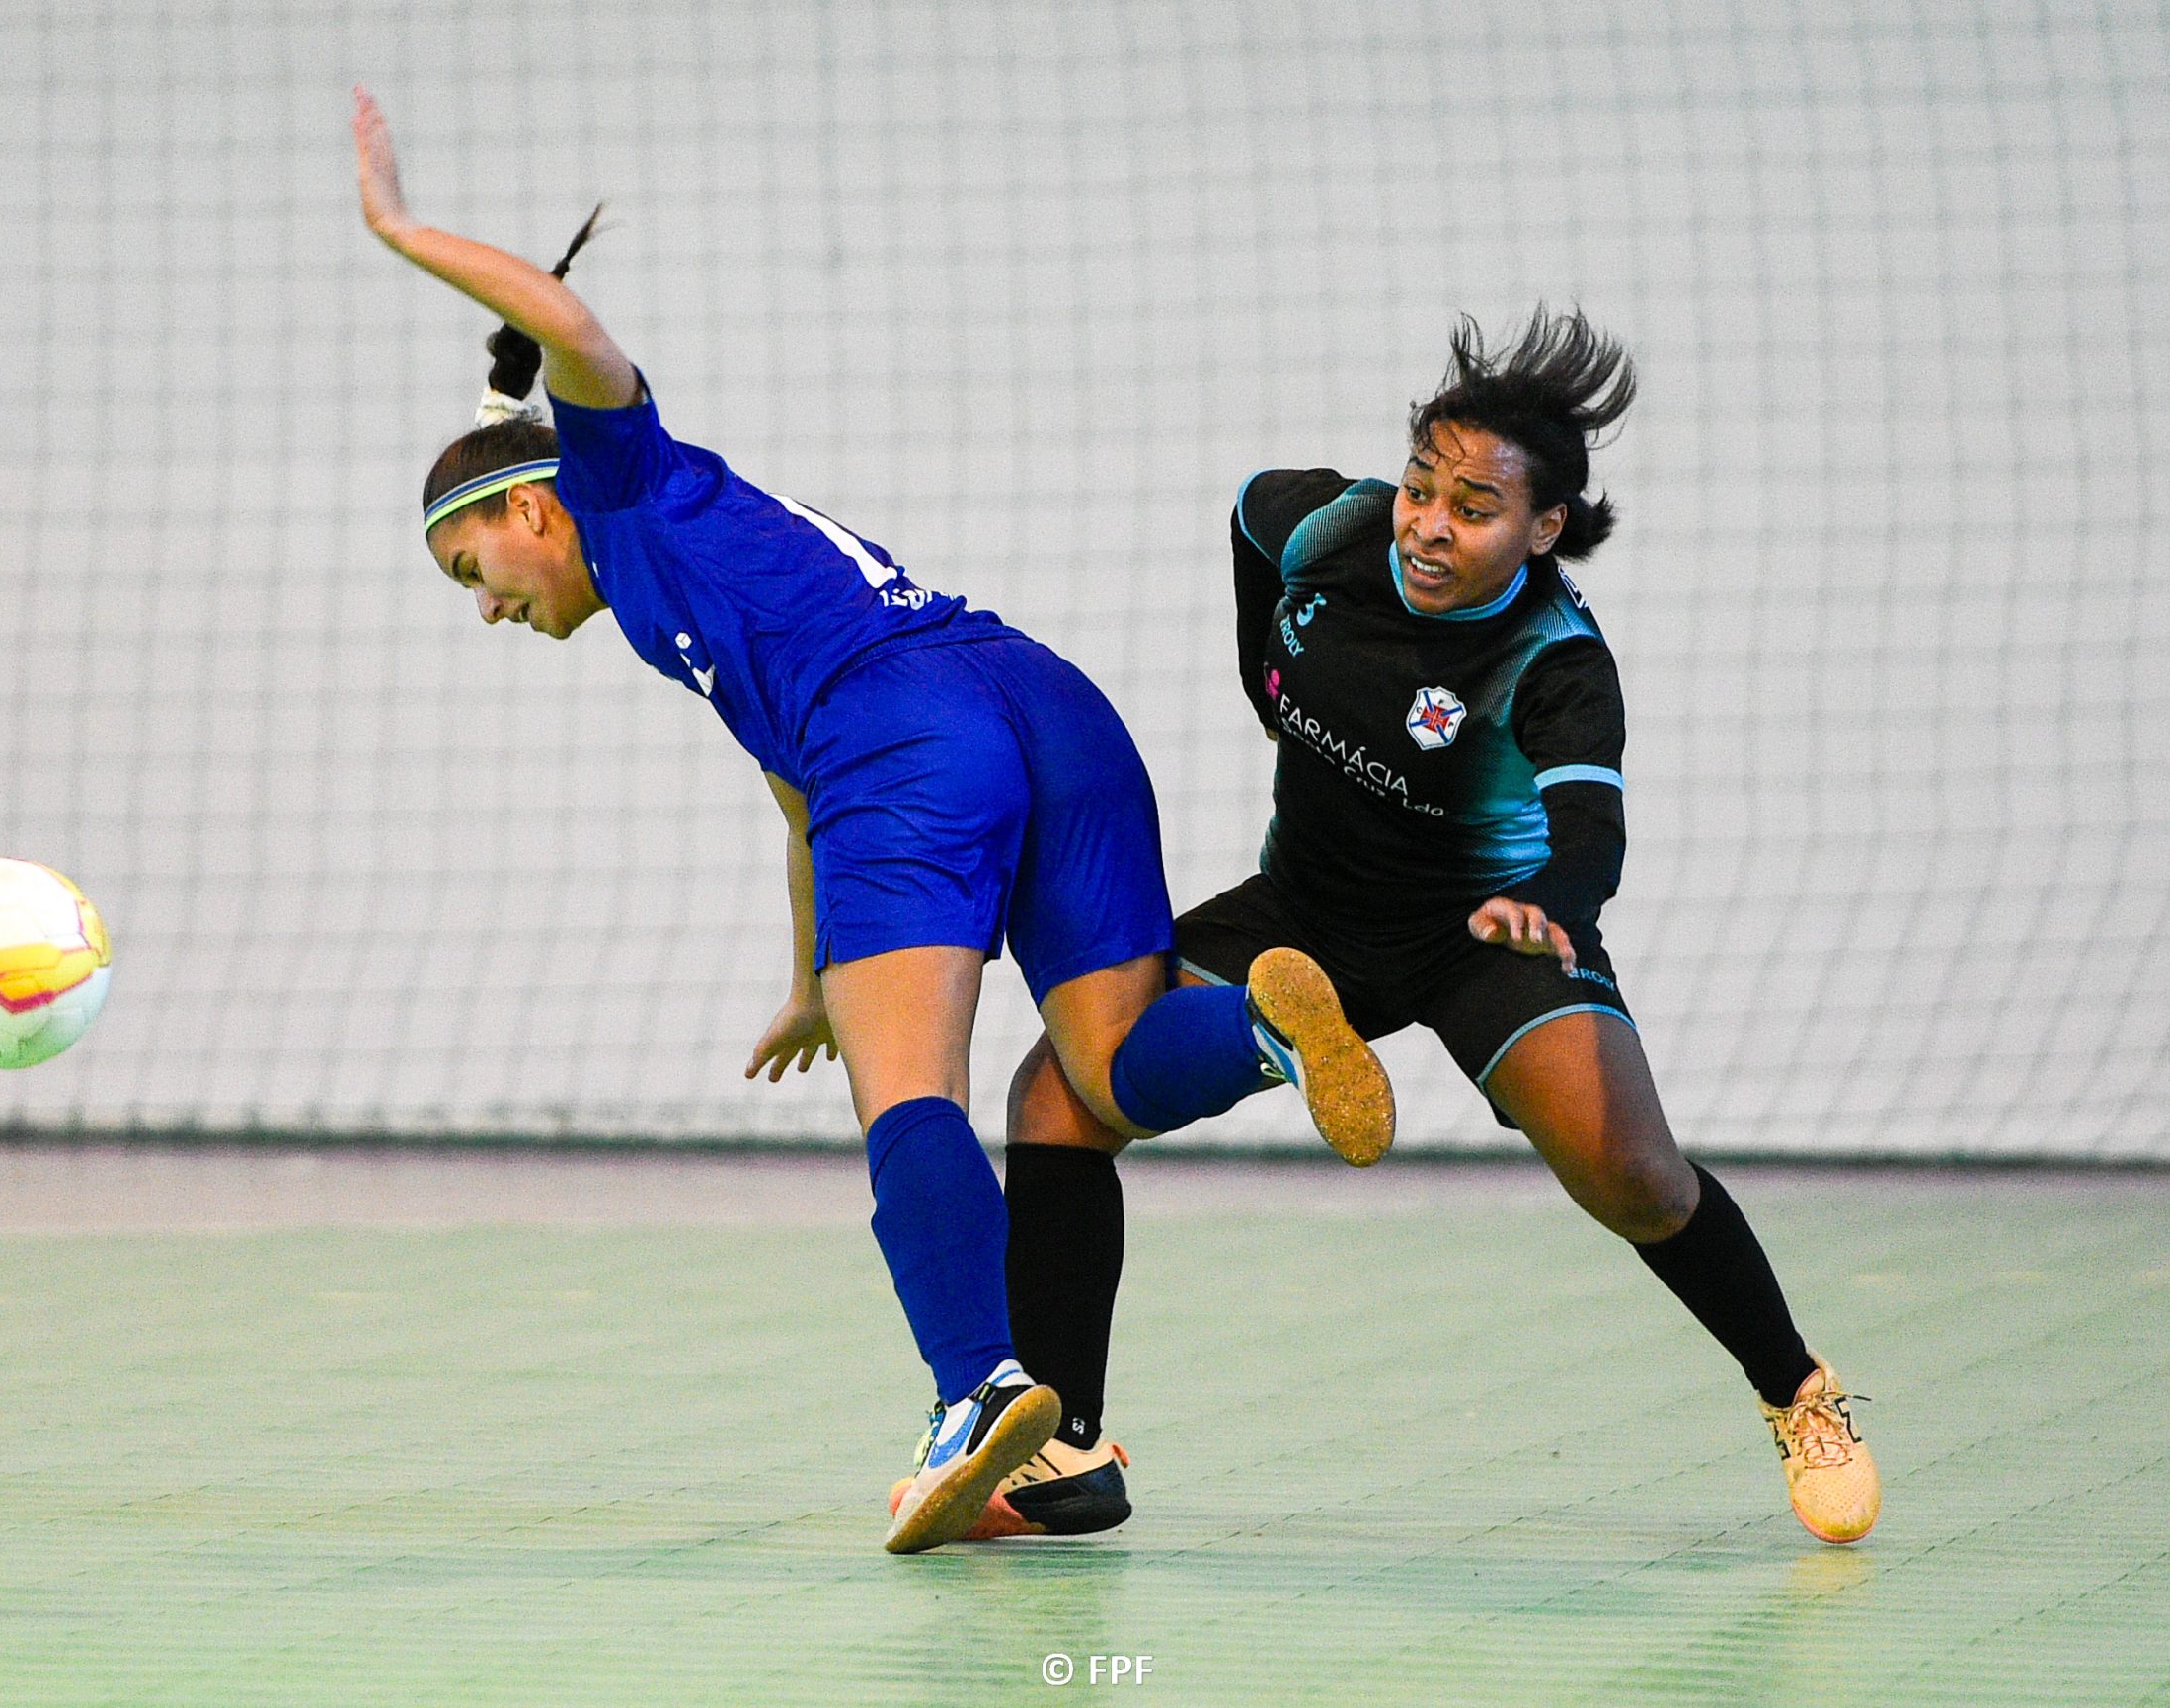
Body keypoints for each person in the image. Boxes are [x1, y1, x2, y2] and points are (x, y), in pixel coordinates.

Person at [349, 89, 1395, 1554]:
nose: (485, 608)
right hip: (1045, 704)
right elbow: (797, 800)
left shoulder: (620, 484)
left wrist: (398, 228)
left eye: (473, 571)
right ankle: (1266, 1028)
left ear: (529, 510)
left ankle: (978, 1389)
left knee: (910, 1093)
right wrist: (809, 978)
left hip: (903, 735)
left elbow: (572, 332)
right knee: (1107, 1068)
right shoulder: (677, 596)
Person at [944, 308, 1881, 1546]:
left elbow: (1589, 832)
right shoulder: (1331, 529)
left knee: (1635, 1175)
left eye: (1474, 508)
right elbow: (1249, 512)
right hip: (1303, 915)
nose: (1430, 523)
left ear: (1544, 527)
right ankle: (1066, 1451)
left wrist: (1555, 905)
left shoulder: (1553, 661)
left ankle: (1797, 1389)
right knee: (1061, 1091)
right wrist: (1265, 671)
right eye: (1422, 487)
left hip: (1484, 933)